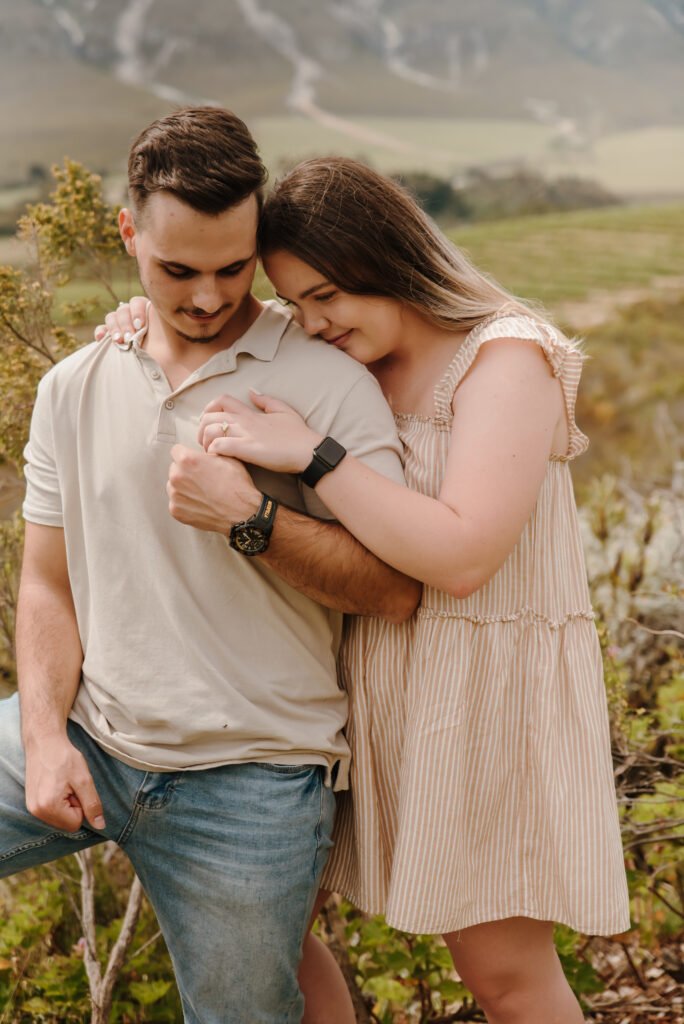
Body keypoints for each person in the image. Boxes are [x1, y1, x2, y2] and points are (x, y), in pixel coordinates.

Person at [111, 157, 630, 1024]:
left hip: (482, 702)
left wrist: (315, 454)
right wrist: (137, 314)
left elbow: (463, 556)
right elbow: (204, 325)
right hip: (355, 696)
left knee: (504, 978)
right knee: (262, 925)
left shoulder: (505, 357)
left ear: (388, 262)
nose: (311, 325)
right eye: (295, 302)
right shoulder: (342, 358)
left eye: (326, 297)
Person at [2, 112, 421, 1024]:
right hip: (91, 733)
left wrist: (254, 522)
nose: (205, 297)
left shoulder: (327, 383)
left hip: (255, 779)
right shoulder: (74, 383)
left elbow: (394, 587)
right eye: (177, 269)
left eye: (233, 269)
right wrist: (41, 739)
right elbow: (47, 583)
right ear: (128, 235)